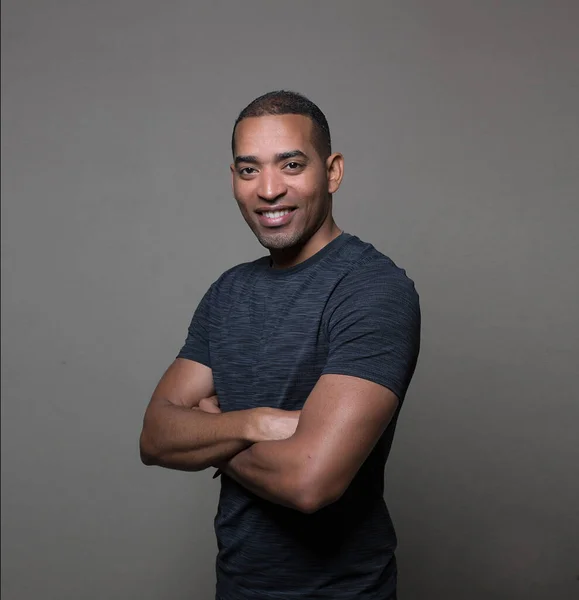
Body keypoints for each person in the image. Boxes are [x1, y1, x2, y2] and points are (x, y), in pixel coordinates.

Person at [139, 90, 421, 600]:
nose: (269, 189)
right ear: (234, 180)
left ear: (332, 172)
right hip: (237, 587)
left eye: (291, 164)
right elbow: (155, 437)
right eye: (249, 170)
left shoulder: (372, 290)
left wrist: (213, 439)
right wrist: (259, 422)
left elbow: (310, 483)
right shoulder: (229, 292)